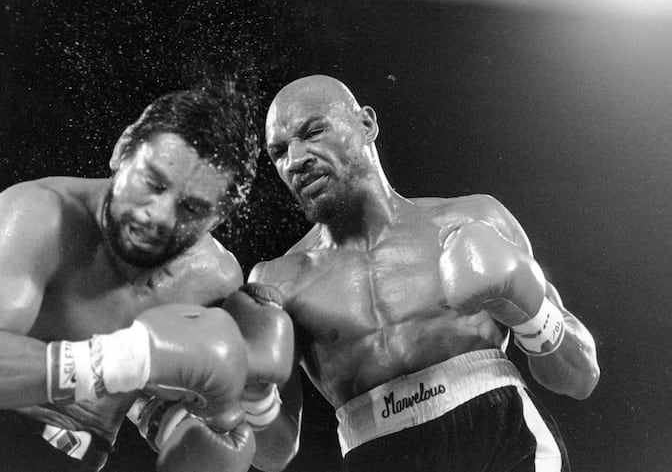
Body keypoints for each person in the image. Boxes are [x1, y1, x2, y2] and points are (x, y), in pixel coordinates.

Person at [0, 83, 279, 472]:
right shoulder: (41, 215)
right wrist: (130, 358)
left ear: (219, 217)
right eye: (153, 183)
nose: (158, 215)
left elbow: (268, 454)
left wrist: (253, 399)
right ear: (122, 150)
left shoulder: (214, 280)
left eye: (191, 208)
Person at [248, 75, 601, 472]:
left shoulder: (471, 219)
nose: (295, 160)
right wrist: (251, 393)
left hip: (502, 438)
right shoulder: (278, 283)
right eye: (279, 152)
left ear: (366, 124)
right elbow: (273, 454)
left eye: (313, 131)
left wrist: (530, 309)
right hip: (375, 456)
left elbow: (579, 375)